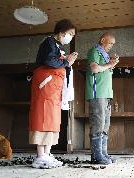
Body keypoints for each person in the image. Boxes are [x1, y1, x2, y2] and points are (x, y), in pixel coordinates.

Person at [29, 19, 78, 169]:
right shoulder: (48, 42)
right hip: (45, 86)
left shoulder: (56, 46)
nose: (70, 37)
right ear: (62, 32)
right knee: (42, 117)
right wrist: (66, 62)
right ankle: (40, 156)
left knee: (52, 120)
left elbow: (58, 63)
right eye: (70, 34)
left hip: (54, 89)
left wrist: (67, 62)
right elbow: (50, 62)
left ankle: (47, 154)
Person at [85, 32, 119, 165]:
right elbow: (94, 69)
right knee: (98, 124)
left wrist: (112, 63)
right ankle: (97, 156)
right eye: (110, 43)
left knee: (105, 125)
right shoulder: (94, 50)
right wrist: (109, 65)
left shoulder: (104, 55)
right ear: (103, 40)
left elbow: (105, 69)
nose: (111, 46)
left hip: (105, 94)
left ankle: (103, 154)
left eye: (113, 44)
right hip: (97, 93)